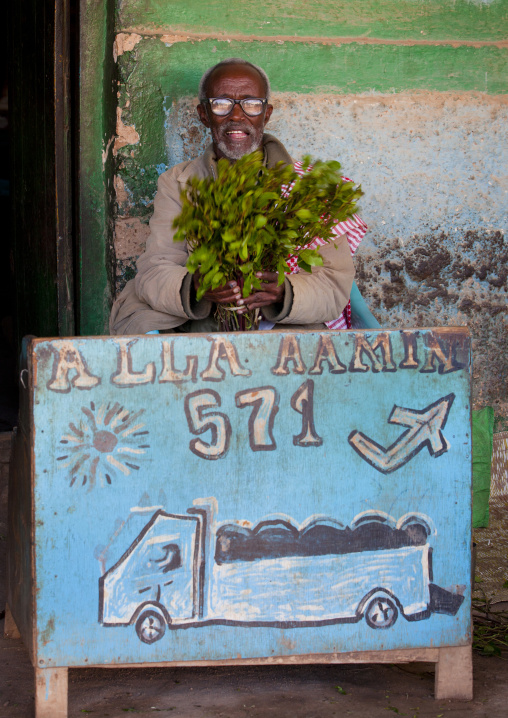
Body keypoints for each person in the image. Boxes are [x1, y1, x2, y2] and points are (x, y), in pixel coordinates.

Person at [110, 58, 369, 335]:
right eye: (221, 103)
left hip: (285, 326)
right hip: (201, 323)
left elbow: (332, 284)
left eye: (251, 104)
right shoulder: (178, 182)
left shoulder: (308, 188)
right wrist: (196, 286)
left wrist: (284, 292)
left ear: (266, 114)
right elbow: (157, 268)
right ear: (203, 114)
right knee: (142, 329)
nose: (236, 116)